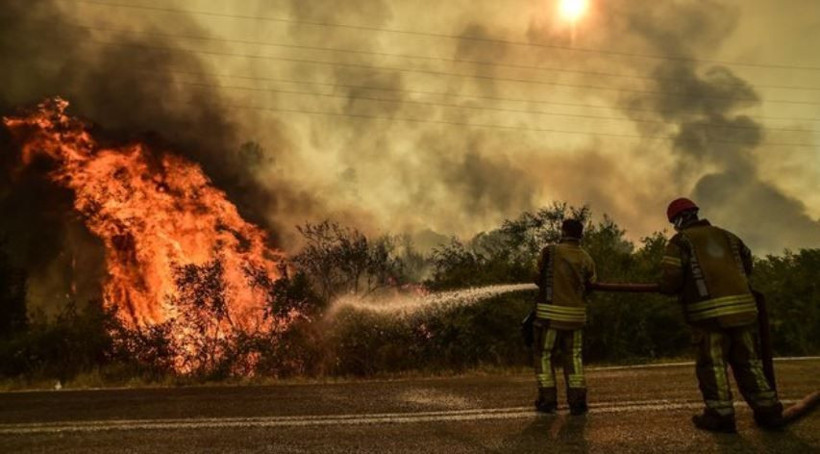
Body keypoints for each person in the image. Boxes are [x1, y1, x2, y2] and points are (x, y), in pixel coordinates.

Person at [658, 197, 784, 433]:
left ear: (677, 220)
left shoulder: (681, 242)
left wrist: (671, 287)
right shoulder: (729, 237)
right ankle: (768, 411)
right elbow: (747, 265)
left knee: (712, 366)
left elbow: (670, 280)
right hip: (743, 312)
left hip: (709, 317)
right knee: (748, 363)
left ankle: (720, 416)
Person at [532, 218, 597, 415]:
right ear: (580, 235)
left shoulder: (549, 252)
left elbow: (535, 275)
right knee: (574, 357)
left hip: (549, 318)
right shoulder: (586, 257)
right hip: (576, 318)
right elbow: (592, 283)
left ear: (562, 232)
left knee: (544, 355)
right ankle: (577, 402)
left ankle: (548, 400)